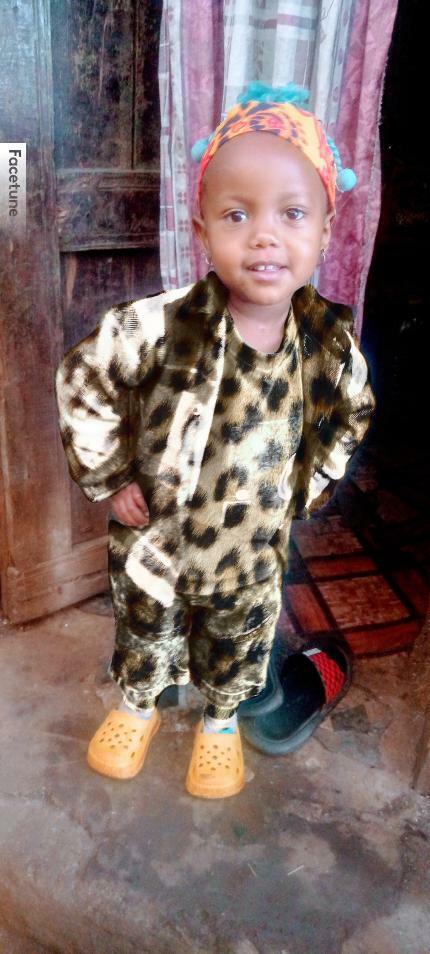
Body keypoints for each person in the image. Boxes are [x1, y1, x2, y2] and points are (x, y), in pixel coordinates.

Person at [55, 82, 376, 799]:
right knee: (145, 626)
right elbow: (84, 377)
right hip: (156, 541)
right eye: (237, 214)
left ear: (326, 231)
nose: (264, 235)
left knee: (240, 638)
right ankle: (137, 705)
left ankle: (221, 722)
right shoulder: (160, 326)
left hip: (250, 549)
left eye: (292, 213)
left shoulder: (327, 345)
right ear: (202, 229)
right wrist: (110, 475)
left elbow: (350, 413)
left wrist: (311, 483)